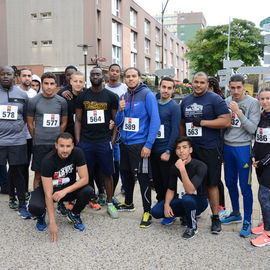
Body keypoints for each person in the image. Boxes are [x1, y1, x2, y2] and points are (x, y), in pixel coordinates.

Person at [180, 71, 231, 234]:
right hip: (191, 149)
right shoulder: (186, 101)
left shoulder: (215, 99)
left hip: (210, 147)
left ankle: (215, 217)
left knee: (211, 183)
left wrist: (202, 122)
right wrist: (182, 144)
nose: (198, 85)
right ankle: (192, 212)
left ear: (207, 84)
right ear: (192, 82)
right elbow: (182, 123)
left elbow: (226, 120)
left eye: (202, 82)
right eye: (196, 82)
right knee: (191, 183)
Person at [115, 67, 160, 228]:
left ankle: (147, 211)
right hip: (125, 143)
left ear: (139, 77)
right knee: (126, 174)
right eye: (127, 76)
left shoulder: (147, 95)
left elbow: (155, 121)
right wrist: (120, 110)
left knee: (143, 178)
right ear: (124, 79)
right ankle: (128, 203)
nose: (131, 79)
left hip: (140, 144)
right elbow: (119, 122)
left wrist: (148, 145)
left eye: (134, 76)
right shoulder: (123, 96)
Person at [27, 132, 94, 242]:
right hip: (49, 190)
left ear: (73, 146)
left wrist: (65, 191)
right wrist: (53, 223)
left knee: (88, 191)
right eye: (62, 146)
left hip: (66, 189)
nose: (65, 150)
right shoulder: (47, 161)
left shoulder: (78, 153)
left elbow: (85, 179)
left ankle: (74, 214)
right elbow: (48, 194)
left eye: (68, 146)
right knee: (34, 207)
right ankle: (41, 215)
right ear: (56, 145)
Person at [75, 67, 119, 219]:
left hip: (104, 141)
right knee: (84, 175)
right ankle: (85, 201)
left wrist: (112, 141)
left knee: (108, 173)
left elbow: (116, 121)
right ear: (90, 77)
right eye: (93, 74)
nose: (95, 76)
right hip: (86, 142)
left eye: (98, 74)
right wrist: (78, 141)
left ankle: (110, 202)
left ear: (102, 76)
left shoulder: (111, 96)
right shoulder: (82, 96)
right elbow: (78, 120)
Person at [221, 75, 260, 237]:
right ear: (229, 87)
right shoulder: (225, 102)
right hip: (227, 147)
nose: (236, 91)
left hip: (243, 148)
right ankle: (236, 213)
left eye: (239, 87)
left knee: (245, 187)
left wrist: (238, 112)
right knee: (230, 183)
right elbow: (223, 125)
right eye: (233, 87)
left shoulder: (253, 103)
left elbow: (252, 129)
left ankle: (247, 220)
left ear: (244, 87)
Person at [151, 137, 208, 239]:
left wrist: (182, 169)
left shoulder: (200, 166)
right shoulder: (174, 166)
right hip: (184, 199)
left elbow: (190, 190)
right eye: (178, 148)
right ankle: (185, 213)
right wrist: (167, 205)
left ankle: (192, 227)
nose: (181, 150)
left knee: (187, 198)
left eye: (184, 147)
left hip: (200, 201)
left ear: (190, 150)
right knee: (156, 211)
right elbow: (171, 189)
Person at [27, 72, 68, 211]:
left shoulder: (61, 101)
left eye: (52, 84)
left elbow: (64, 123)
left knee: (58, 174)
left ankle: (60, 203)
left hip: (56, 145)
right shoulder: (34, 101)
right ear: (41, 84)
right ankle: (39, 203)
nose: (49, 87)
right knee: (38, 174)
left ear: (55, 85)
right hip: (39, 144)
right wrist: (37, 137)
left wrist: (58, 140)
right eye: (46, 83)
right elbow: (30, 123)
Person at [0, 66, 31, 218]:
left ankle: (22, 205)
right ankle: (11, 197)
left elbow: (26, 117)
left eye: (8, 74)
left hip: (17, 141)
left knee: (18, 173)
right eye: (2, 74)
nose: (5, 76)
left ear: (14, 76)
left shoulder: (22, 95)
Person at [150, 77, 181, 226]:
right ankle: (162, 205)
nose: (166, 90)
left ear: (173, 90)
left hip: (165, 151)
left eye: (169, 88)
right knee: (157, 182)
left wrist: (169, 150)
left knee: (168, 183)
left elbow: (175, 130)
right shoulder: (154, 104)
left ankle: (171, 211)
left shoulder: (174, 107)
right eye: (164, 87)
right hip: (153, 150)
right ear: (159, 88)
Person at [105, 63, 127, 202]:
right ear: (108, 72)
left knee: (122, 162)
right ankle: (107, 191)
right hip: (108, 130)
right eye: (112, 71)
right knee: (111, 162)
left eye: (117, 71)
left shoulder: (124, 88)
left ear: (120, 74)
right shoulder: (104, 88)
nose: (114, 73)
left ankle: (124, 186)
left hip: (123, 130)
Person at [251, 87, 270, 247]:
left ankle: (268, 234)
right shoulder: (262, 116)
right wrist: (253, 155)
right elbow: (257, 139)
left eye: (268, 98)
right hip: (259, 163)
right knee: (264, 197)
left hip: (267, 164)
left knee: (264, 197)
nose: (265, 102)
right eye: (262, 98)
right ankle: (265, 222)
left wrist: (263, 161)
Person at [208, 77, 228, 219]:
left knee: (215, 179)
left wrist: (221, 150)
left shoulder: (218, 101)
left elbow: (222, 127)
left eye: (209, 88)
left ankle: (221, 207)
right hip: (203, 146)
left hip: (217, 145)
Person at [18, 68, 37, 197]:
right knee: (19, 165)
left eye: (29, 75)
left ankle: (26, 191)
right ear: (19, 77)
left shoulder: (34, 94)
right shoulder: (15, 91)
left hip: (30, 135)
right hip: (17, 135)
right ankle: (20, 191)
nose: (27, 78)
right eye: (24, 75)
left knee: (27, 164)